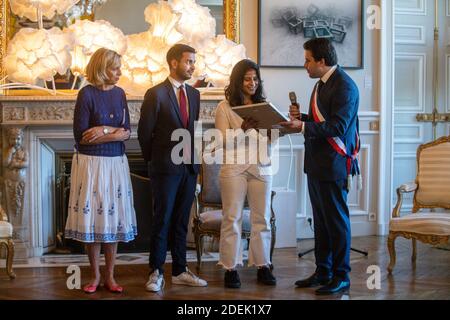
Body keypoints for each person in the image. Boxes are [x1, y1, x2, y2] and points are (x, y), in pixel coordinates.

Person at [280, 38, 360, 295]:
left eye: (307, 60)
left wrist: (302, 126)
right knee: (321, 222)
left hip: (334, 165)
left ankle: (341, 275)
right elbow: (319, 121)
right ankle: (323, 270)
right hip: (316, 164)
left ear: (321, 61)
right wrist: (299, 118)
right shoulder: (320, 84)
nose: (305, 65)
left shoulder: (345, 86)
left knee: (336, 222)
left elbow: (338, 127)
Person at [65, 48, 136, 294]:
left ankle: (110, 277)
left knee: (113, 221)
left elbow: (127, 131)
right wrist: (114, 134)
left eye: (119, 68)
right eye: (114, 68)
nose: (119, 72)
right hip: (91, 166)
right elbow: (82, 137)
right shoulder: (86, 94)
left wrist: (105, 129)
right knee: (94, 222)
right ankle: (94, 276)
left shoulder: (120, 94)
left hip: (115, 164)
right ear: (101, 68)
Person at [138, 43, 207, 292]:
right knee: (162, 220)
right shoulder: (156, 94)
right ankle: (155, 272)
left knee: (181, 222)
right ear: (174, 63)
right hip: (164, 168)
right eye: (188, 61)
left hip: (188, 169)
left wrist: (196, 167)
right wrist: (155, 163)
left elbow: (195, 132)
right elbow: (144, 133)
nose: (192, 66)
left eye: (194, 62)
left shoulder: (195, 95)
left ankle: (179, 270)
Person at [215, 59, 277, 288]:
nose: (252, 83)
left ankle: (263, 265)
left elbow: (272, 140)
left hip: (261, 167)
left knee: (262, 218)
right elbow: (221, 140)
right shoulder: (225, 107)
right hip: (234, 169)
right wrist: (243, 129)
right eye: (247, 78)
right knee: (232, 218)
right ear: (238, 81)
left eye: (255, 78)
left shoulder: (266, 106)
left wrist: (275, 131)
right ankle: (230, 268)